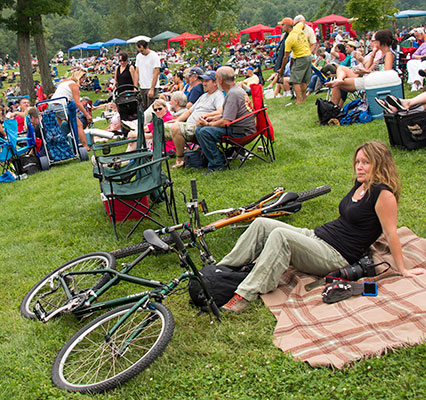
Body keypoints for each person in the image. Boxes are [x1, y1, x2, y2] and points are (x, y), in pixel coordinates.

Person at [220, 141, 426, 313]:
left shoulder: (383, 195)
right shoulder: (362, 183)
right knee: (261, 223)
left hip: (335, 255)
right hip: (318, 237)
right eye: (357, 162)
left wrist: (403, 270)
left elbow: (391, 234)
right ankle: (223, 267)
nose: (359, 167)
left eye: (366, 163)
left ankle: (245, 295)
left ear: (380, 165)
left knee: (281, 236)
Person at [195, 66, 256, 174]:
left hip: (241, 132)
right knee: (200, 130)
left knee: (204, 132)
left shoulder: (232, 94)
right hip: (242, 128)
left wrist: (208, 124)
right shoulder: (236, 90)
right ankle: (217, 158)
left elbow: (226, 122)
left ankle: (217, 164)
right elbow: (227, 115)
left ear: (220, 80)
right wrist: (212, 118)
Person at [168, 70, 224, 169]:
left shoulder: (218, 95)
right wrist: (178, 120)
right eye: (203, 81)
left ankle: (180, 159)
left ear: (215, 83)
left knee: (176, 127)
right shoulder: (203, 96)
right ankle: (156, 157)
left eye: (207, 81)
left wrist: (205, 115)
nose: (204, 83)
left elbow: (220, 111)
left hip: (199, 127)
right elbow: (189, 111)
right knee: (162, 125)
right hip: (189, 124)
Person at [326, 29, 397, 106]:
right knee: (341, 74)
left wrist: (366, 72)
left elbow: (387, 74)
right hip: (370, 79)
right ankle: (334, 110)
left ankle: (332, 111)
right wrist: (373, 53)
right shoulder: (382, 55)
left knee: (338, 84)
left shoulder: (388, 55)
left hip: (374, 82)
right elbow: (368, 68)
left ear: (381, 41)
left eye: (375, 40)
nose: (373, 43)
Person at [50, 70, 91, 150]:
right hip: (61, 106)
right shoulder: (74, 85)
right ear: (80, 78)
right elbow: (78, 102)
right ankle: (85, 146)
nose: (83, 81)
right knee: (78, 124)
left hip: (52, 105)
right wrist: (87, 114)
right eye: (83, 79)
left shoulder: (65, 83)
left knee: (56, 128)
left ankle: (54, 146)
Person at [278, 17, 312, 104]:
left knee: (295, 81)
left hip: (300, 58)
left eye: (282, 25)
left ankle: (298, 100)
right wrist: (295, 23)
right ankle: (303, 99)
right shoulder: (298, 28)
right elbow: (302, 21)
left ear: (287, 26)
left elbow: (285, 57)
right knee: (304, 80)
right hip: (308, 56)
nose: (281, 27)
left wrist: (281, 69)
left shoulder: (289, 39)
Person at [135, 40, 161, 111]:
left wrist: (152, 89)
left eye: (142, 50)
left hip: (152, 86)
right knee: (144, 109)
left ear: (146, 47)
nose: (141, 52)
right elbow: (137, 72)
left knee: (152, 109)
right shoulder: (139, 56)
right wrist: (135, 86)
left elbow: (156, 73)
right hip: (143, 87)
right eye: (139, 51)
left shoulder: (154, 56)